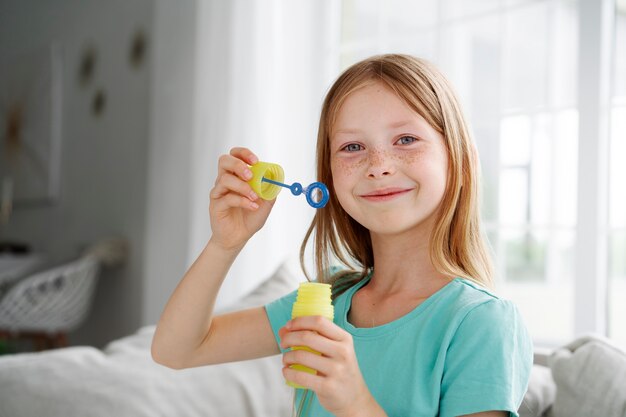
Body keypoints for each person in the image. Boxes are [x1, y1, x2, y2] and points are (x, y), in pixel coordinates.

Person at [151, 54, 533, 417]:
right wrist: (226, 243)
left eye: (405, 140)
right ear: (329, 174)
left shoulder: (481, 323)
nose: (378, 166)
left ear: (456, 156)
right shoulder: (327, 300)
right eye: (352, 147)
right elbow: (176, 349)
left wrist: (355, 403)